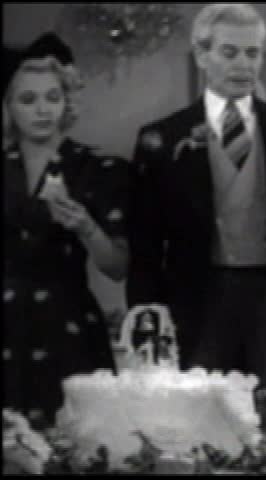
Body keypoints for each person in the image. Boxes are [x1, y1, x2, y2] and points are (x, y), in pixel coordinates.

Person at [126, 4, 266, 385]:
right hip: (197, 302)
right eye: (229, 52)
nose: (243, 64)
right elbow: (144, 242)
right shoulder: (162, 137)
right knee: (201, 407)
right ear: (201, 55)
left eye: (252, 53)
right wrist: (147, 315)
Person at [3, 33, 128, 427]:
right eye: (28, 100)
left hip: (67, 324)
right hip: (5, 323)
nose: (42, 110)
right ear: (8, 107)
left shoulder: (96, 169)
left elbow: (117, 267)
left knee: (73, 441)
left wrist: (86, 226)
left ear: (67, 103)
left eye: (52, 98)